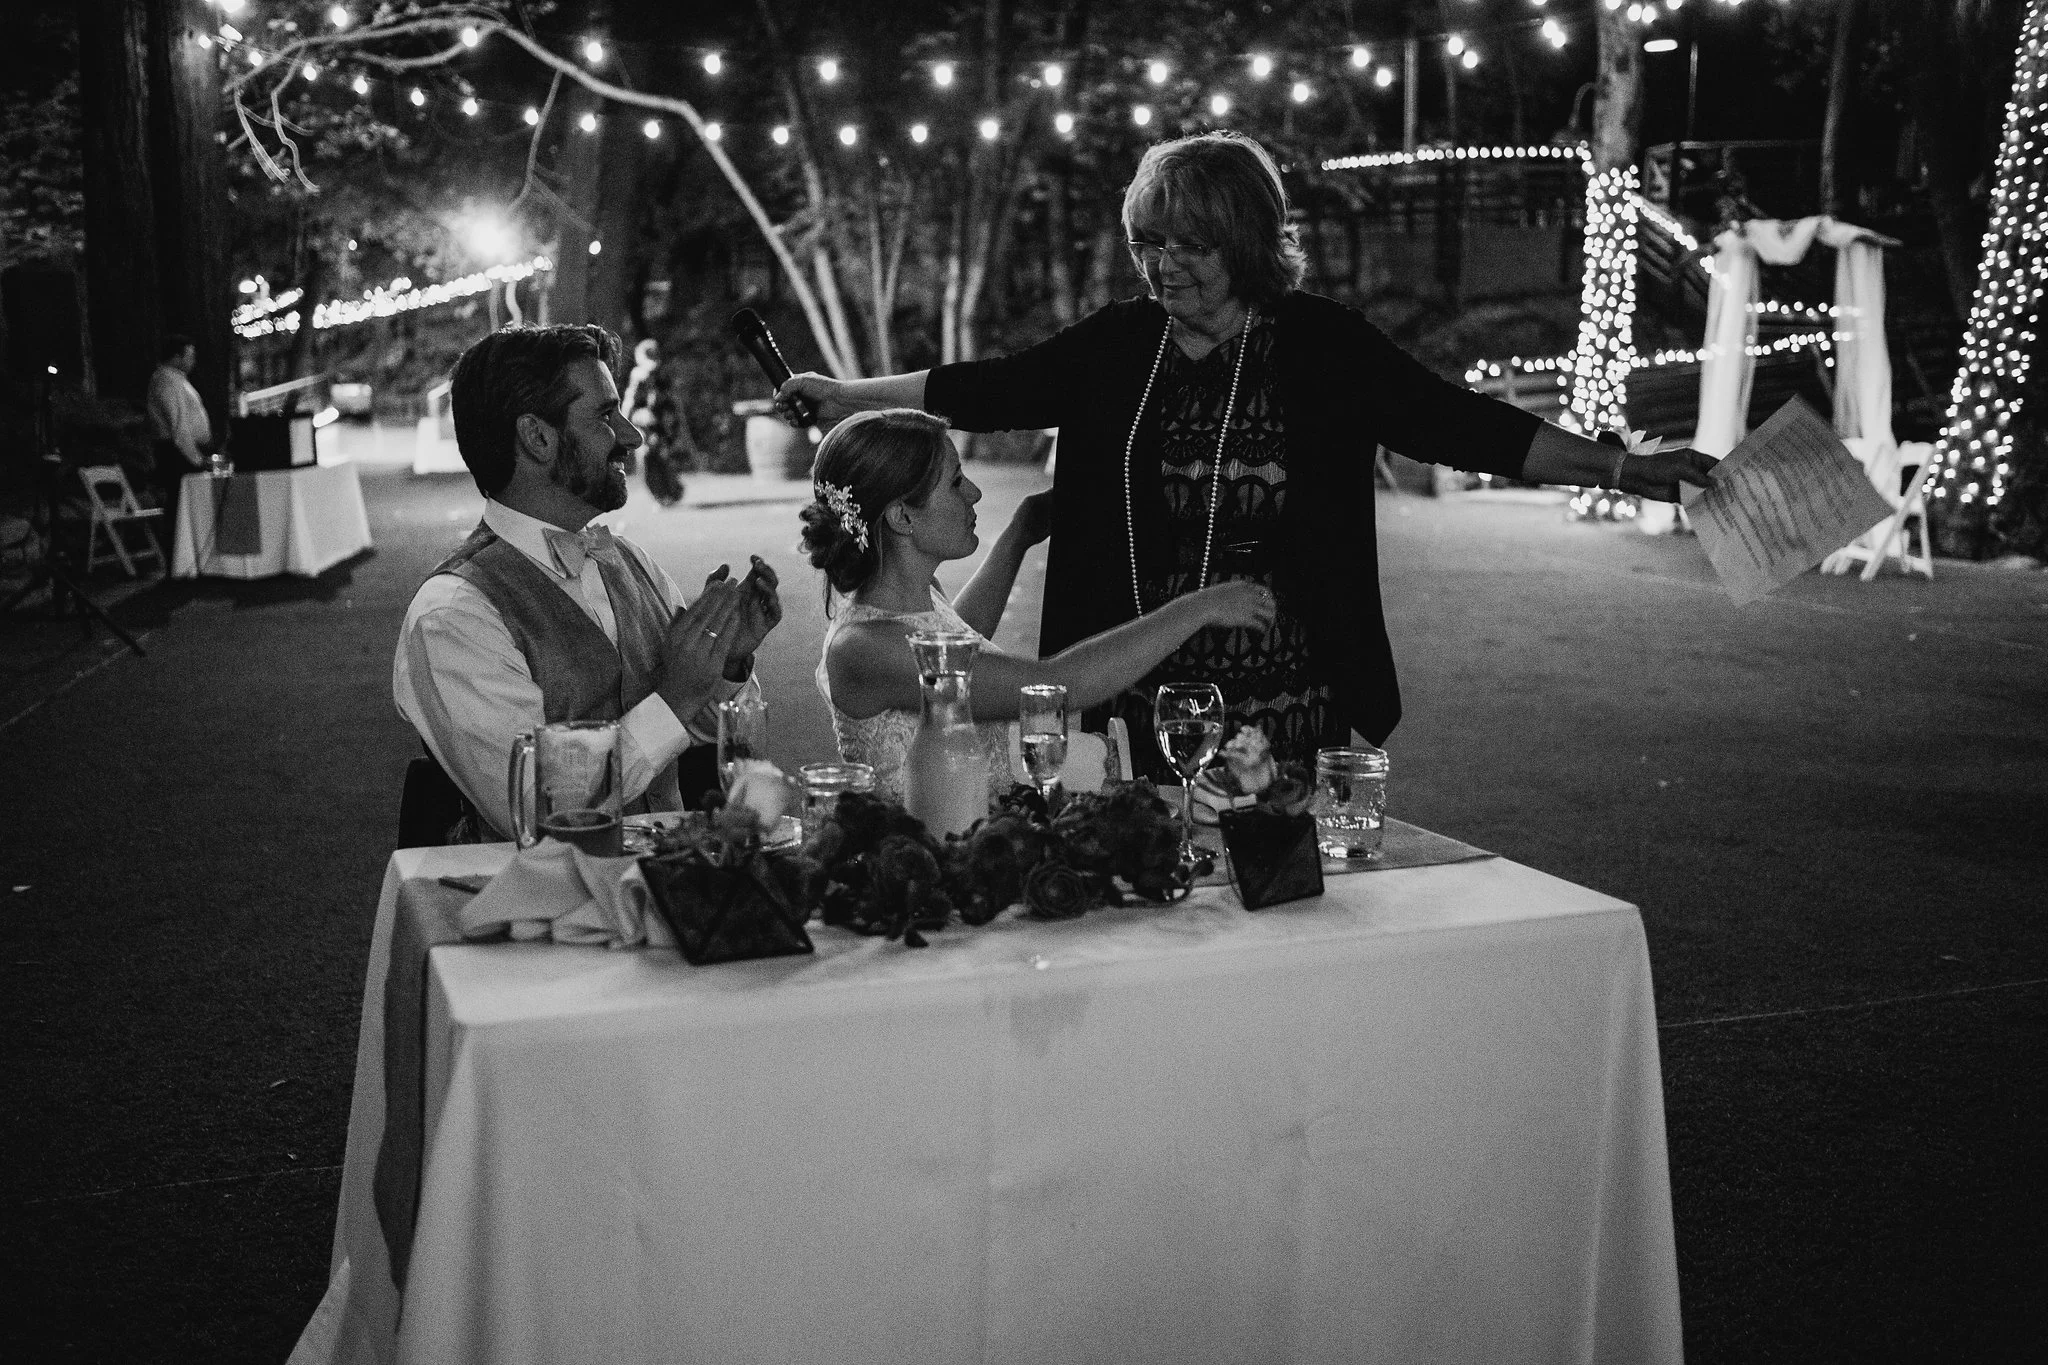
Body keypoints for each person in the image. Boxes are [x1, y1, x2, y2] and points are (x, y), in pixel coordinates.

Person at [780, 131, 1719, 779]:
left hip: (1289, 691)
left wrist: (1620, 467)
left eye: (1191, 245)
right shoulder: (1120, 346)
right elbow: (989, 386)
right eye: (1149, 244)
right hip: (1129, 686)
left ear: (1248, 242)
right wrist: (844, 394)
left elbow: (1461, 424)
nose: (1164, 267)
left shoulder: (1322, 346)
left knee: (1274, 896)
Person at [394, 323, 782, 842]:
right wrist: (674, 696)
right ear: (537, 438)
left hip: (665, 875)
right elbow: (535, 804)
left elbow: (704, 736)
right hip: (539, 890)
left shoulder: (630, 561)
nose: (631, 436)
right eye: (604, 416)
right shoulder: (454, 614)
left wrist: (724, 662)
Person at [800, 408, 1274, 801]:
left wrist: (1020, 533)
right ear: (902, 516)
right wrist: (1199, 608)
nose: (975, 493)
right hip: (936, 858)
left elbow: (961, 635)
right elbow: (1061, 686)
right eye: (956, 482)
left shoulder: (913, 605)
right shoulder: (866, 648)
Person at [146, 334, 211, 521]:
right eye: (189, 356)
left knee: (184, 505)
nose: (193, 361)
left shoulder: (177, 380)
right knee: (180, 505)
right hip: (177, 454)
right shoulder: (167, 381)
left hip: (183, 452)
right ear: (176, 357)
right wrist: (196, 459)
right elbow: (179, 425)